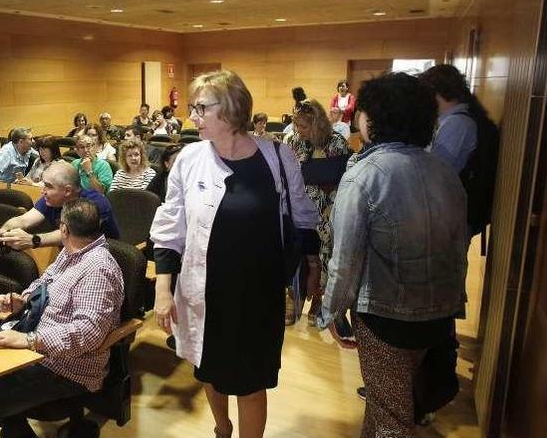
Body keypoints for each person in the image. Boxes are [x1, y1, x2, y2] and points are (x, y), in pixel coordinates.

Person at [151, 70, 320, 438]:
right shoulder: (189, 158)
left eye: (201, 108)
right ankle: (222, 427)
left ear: (231, 109)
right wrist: (163, 290)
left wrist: (312, 262)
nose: (191, 116)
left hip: (259, 293)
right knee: (209, 368)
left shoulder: (277, 155)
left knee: (251, 380)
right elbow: (169, 227)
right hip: (206, 290)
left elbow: (302, 212)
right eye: (192, 108)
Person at [322, 72, 468, 438]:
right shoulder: (445, 172)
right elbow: (458, 248)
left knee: (391, 417)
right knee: (386, 402)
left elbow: (345, 259)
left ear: (371, 119)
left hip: (386, 315)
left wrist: (332, 312)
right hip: (439, 313)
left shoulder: (364, 175)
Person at [0, 198, 123, 438]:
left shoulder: (97, 269)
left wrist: (30, 340)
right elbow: (45, 281)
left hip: (66, 368)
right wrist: (24, 298)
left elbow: (88, 332)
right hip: (38, 352)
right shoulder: (73, 251)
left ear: (63, 229)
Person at [289, 99, 352, 325]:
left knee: (324, 257)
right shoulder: (294, 142)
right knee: (302, 256)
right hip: (300, 209)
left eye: (303, 126)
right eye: (296, 126)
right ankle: (295, 299)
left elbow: (345, 179)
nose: (298, 131)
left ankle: (319, 300)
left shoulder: (337, 143)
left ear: (317, 124)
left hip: (327, 210)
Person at [0, 161, 119, 250]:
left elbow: (72, 234)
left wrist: (33, 240)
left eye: (48, 186)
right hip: (72, 255)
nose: (42, 190)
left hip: (103, 257)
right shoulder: (51, 200)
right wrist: (3, 230)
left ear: (67, 191)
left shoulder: (95, 204)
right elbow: (23, 220)